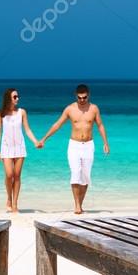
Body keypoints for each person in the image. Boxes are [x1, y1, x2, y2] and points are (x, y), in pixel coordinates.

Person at [39, 83, 109, 214]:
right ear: (75, 96)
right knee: (75, 173)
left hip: (88, 145)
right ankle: (77, 205)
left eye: (85, 97)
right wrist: (44, 139)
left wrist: (105, 143)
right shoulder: (70, 109)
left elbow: (100, 125)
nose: (82, 100)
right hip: (74, 146)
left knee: (86, 176)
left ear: (89, 95)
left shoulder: (94, 109)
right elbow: (57, 124)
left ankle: (80, 204)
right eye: (79, 97)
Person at [0, 87, 41, 213]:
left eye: (18, 96)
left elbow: (27, 130)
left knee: (17, 176)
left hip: (20, 147)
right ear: (8, 98)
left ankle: (15, 204)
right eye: (15, 97)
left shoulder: (22, 112)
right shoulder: (0, 114)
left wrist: (35, 141)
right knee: (9, 175)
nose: (17, 98)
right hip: (6, 147)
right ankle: (9, 198)